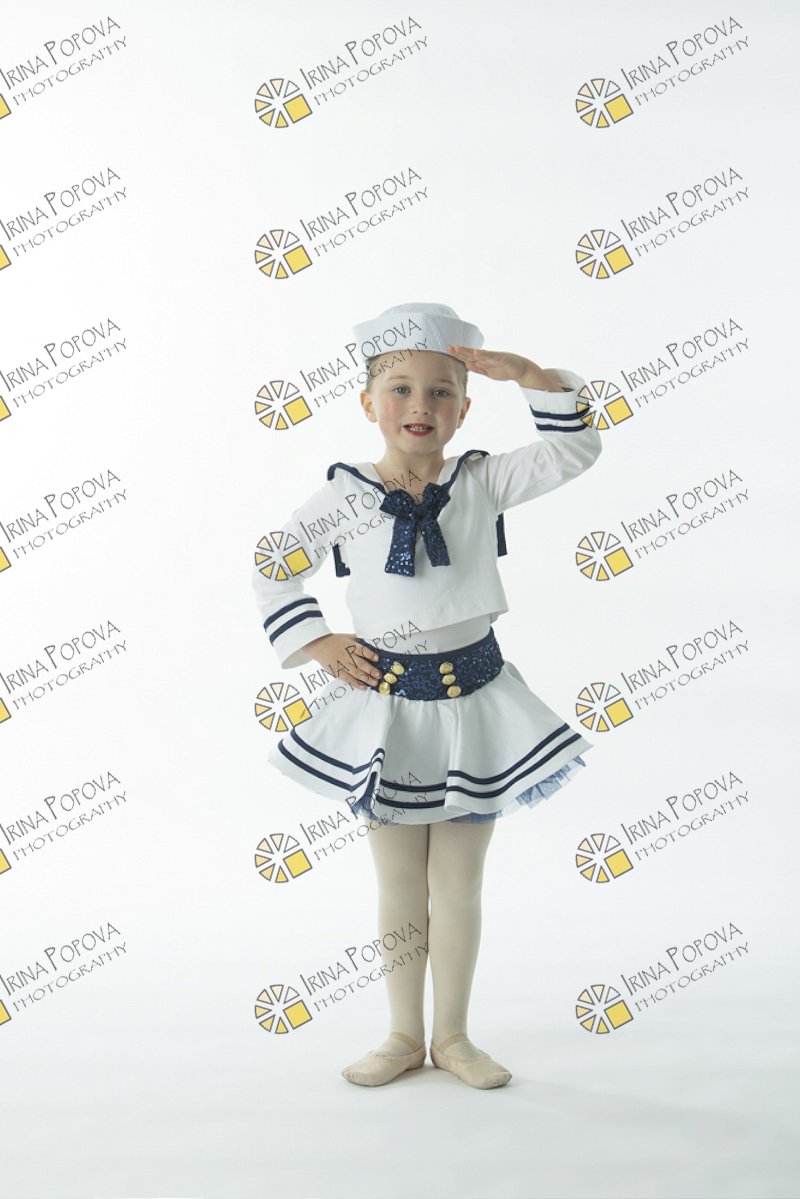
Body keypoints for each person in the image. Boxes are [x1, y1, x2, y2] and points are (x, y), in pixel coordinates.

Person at [251, 302, 603, 1089]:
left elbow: (576, 449)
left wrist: (530, 376)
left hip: (477, 708)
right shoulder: (344, 496)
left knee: (460, 883)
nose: (421, 406)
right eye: (401, 389)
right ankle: (403, 1033)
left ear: (465, 408)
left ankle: (454, 1035)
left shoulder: (483, 479)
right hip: (389, 716)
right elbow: (274, 564)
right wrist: (318, 642)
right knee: (399, 882)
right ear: (367, 403)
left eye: (442, 391)